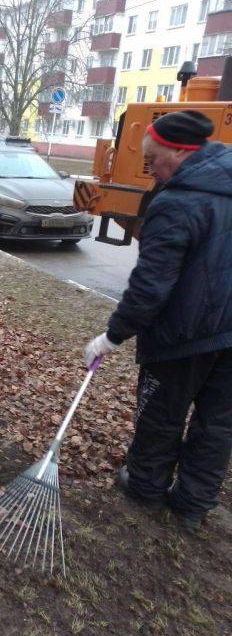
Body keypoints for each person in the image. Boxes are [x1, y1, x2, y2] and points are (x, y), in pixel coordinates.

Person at [84, 110, 232, 531]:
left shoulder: (176, 202)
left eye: (151, 160)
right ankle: (192, 505)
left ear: (179, 153)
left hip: (184, 334)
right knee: (218, 423)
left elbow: (151, 287)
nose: (149, 168)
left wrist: (112, 336)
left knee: (162, 413)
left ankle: (146, 486)